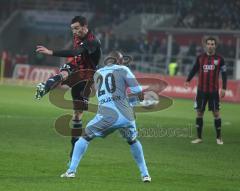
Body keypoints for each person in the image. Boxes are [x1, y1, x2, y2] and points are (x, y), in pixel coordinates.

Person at [60, 51, 151, 182]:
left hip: (106, 116)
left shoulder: (97, 74)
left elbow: (86, 93)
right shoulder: (124, 69)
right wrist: (130, 100)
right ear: (119, 61)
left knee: (84, 138)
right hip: (126, 116)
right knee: (132, 141)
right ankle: (145, 175)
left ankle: (71, 171)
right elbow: (139, 94)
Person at [35, 16, 102, 158]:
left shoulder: (92, 41)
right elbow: (75, 56)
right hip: (76, 67)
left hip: (86, 77)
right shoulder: (78, 36)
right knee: (66, 69)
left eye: (77, 28)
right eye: (72, 29)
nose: (74, 32)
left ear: (85, 26)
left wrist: (51, 52)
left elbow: (75, 52)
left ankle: (74, 146)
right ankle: (45, 87)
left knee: (77, 115)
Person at [184, 36, 227, 145]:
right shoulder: (200, 58)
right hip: (201, 91)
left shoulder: (220, 59)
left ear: (215, 46)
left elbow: (224, 74)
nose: (210, 46)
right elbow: (194, 69)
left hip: (214, 91)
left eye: (212, 44)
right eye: (209, 44)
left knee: (216, 113)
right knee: (199, 113)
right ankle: (199, 138)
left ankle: (219, 137)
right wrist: (188, 80)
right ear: (205, 45)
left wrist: (224, 88)